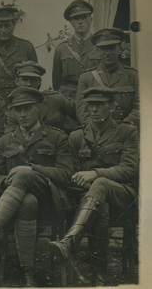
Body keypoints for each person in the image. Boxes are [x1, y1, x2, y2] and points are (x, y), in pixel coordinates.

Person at [0, 87, 72, 287]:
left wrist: (32, 169)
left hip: (49, 201)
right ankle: (28, 272)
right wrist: (5, 182)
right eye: (17, 110)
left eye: (27, 109)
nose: (22, 114)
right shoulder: (4, 141)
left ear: (38, 108)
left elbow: (66, 175)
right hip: (16, 203)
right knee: (27, 201)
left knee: (23, 173)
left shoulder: (57, 138)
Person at [48, 87, 138, 286]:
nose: (94, 110)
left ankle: (69, 241)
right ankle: (99, 278)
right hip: (89, 202)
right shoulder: (77, 136)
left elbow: (129, 170)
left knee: (101, 183)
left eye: (100, 105)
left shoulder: (127, 132)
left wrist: (96, 174)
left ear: (112, 107)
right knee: (100, 209)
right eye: (91, 105)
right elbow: (69, 173)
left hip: (122, 198)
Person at [75, 28, 139, 128]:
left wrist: (124, 127)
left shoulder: (133, 76)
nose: (108, 53)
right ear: (97, 51)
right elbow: (82, 111)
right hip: (97, 134)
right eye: (103, 49)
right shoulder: (86, 78)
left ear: (119, 49)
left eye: (112, 48)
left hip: (126, 131)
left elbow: (139, 107)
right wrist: (96, 130)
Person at [5, 61, 77, 133]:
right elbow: (12, 137)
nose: (29, 84)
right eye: (25, 80)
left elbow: (80, 111)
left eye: (33, 80)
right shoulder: (14, 109)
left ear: (39, 81)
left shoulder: (55, 99)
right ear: (16, 81)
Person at [52, 0, 99, 99]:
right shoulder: (61, 49)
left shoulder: (99, 47)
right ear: (71, 22)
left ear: (90, 19)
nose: (80, 22)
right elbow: (57, 83)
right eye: (76, 18)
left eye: (84, 17)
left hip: (94, 97)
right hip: (69, 99)